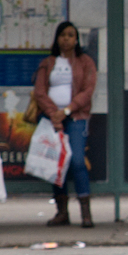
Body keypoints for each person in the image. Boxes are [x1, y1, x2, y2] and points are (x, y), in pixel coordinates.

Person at [32, 21, 98, 227]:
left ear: (77, 39)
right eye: (63, 35)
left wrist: (67, 110)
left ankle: (85, 213)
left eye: (71, 35)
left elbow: (88, 91)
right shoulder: (48, 63)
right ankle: (62, 212)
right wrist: (54, 114)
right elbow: (40, 91)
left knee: (77, 161)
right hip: (52, 119)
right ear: (57, 38)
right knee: (55, 164)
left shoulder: (85, 61)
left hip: (76, 117)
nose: (66, 39)